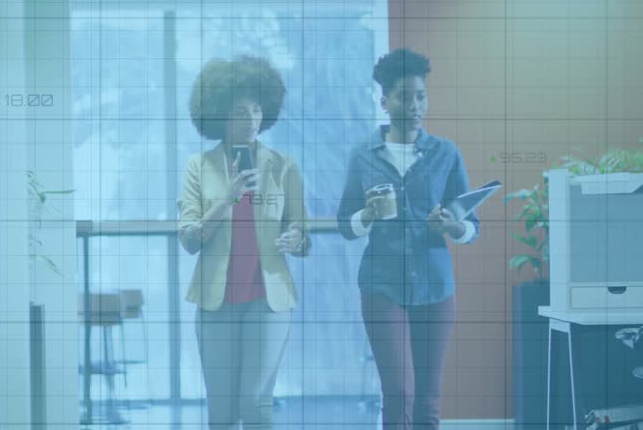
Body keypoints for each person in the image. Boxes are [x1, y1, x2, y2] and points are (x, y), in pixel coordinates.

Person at [337, 48, 480, 430]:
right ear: (384, 101)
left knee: (428, 398)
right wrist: (366, 214)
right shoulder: (363, 156)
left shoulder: (446, 153)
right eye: (405, 96)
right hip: (381, 285)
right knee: (400, 391)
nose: (415, 105)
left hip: (436, 286)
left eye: (421, 96)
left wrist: (452, 226)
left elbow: (471, 226)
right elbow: (344, 224)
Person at [177, 55, 310, 429]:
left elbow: (302, 232)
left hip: (269, 299)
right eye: (240, 111)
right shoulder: (198, 167)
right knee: (221, 412)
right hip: (215, 300)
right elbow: (189, 239)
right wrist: (228, 198)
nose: (251, 119)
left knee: (255, 404)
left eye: (256, 109)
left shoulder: (284, 166)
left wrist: (296, 238)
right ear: (219, 114)